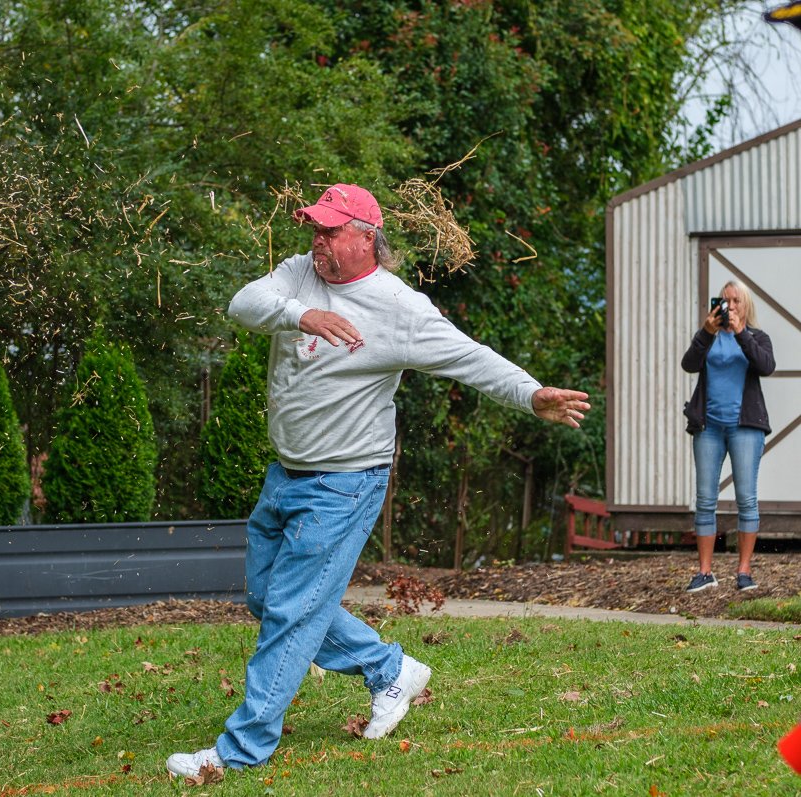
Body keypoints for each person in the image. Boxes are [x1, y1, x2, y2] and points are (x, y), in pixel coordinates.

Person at [166, 183, 591, 779]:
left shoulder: (400, 307)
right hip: (286, 472)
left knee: (290, 611)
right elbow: (243, 304)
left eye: (330, 231)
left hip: (344, 482)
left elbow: (471, 357)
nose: (317, 241)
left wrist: (530, 393)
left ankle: (239, 752)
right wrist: (301, 312)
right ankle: (389, 670)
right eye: (313, 228)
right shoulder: (298, 274)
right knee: (268, 599)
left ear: (367, 239)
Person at [681, 281, 775, 592]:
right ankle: (705, 573)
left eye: (736, 301)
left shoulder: (756, 337)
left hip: (745, 427)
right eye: (725, 300)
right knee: (705, 500)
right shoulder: (709, 337)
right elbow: (689, 364)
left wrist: (740, 333)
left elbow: (765, 366)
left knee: (746, 499)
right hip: (709, 428)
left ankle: (744, 572)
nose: (729, 306)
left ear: (746, 305)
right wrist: (707, 332)